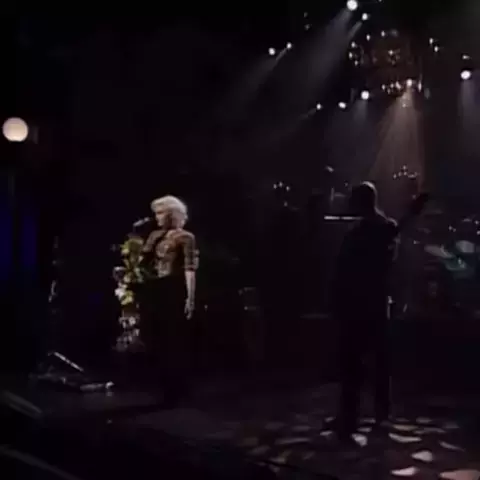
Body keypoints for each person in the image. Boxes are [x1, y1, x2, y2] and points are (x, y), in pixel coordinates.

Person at [332, 182, 399, 440]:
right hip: (368, 301)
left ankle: (357, 415)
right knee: (369, 360)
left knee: (362, 360)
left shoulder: (374, 231)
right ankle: (369, 413)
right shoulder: (381, 229)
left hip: (366, 302)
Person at [138, 195, 199, 406]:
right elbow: (143, 261)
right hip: (156, 289)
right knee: (156, 339)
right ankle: (164, 386)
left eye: (160, 213)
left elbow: (189, 269)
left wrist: (190, 297)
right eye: (156, 213)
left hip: (173, 289)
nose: (157, 217)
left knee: (174, 340)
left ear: (172, 215)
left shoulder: (186, 237)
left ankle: (178, 389)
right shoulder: (155, 235)